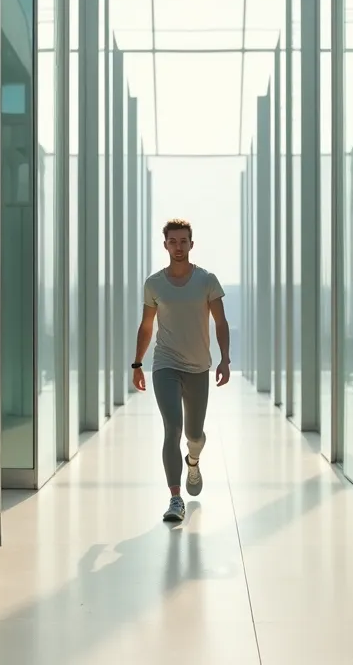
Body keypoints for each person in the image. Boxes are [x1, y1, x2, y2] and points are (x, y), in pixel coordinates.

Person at [132, 219, 231, 523]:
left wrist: (225, 358)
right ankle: (175, 498)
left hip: (199, 367)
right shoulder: (154, 284)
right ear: (165, 245)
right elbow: (147, 325)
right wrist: (137, 363)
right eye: (172, 241)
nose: (178, 246)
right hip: (165, 364)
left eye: (183, 241)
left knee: (194, 434)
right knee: (172, 427)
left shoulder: (207, 280)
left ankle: (194, 459)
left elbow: (220, 322)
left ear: (191, 243)